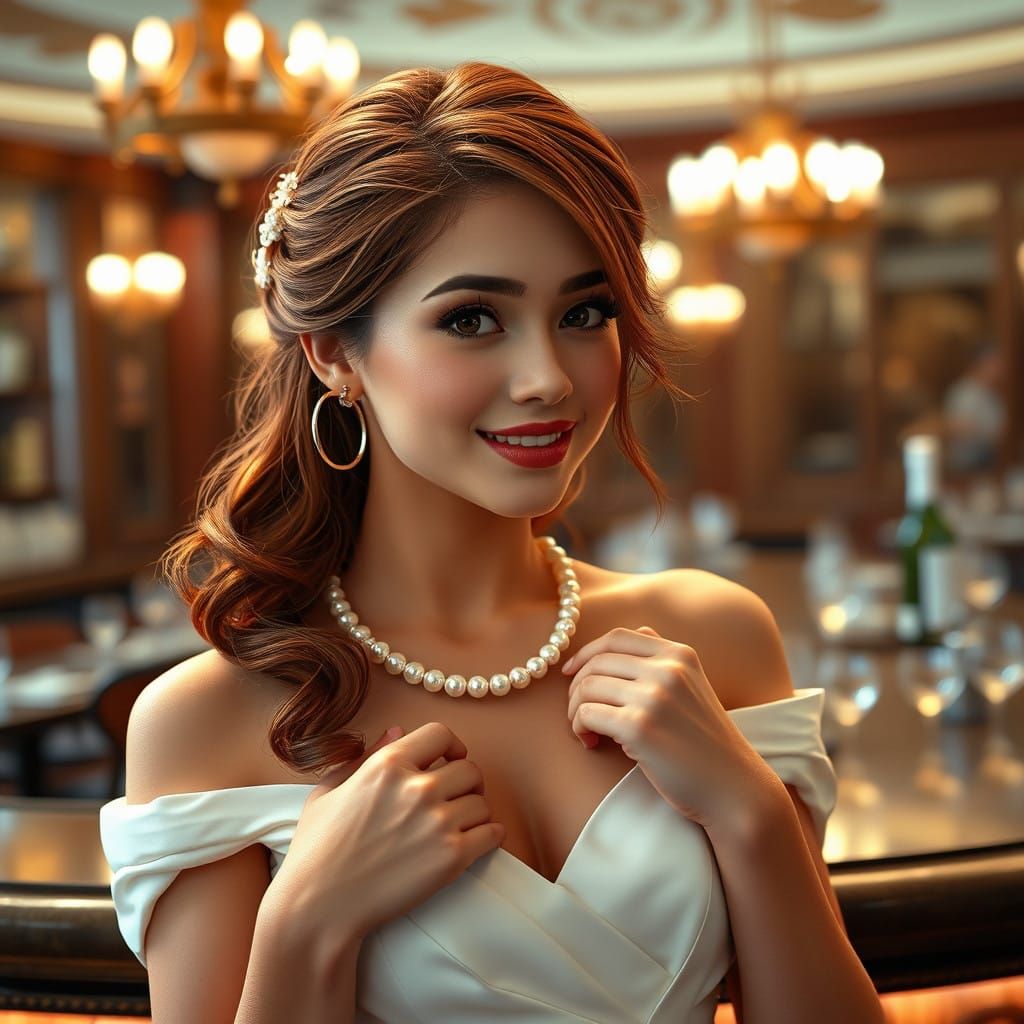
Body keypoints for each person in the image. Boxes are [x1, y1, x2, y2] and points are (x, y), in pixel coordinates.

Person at [98, 62, 884, 1024]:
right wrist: (305, 923)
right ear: (333, 352)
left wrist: (750, 813)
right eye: (472, 319)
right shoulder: (205, 722)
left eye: (584, 313)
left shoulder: (714, 639)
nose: (548, 378)